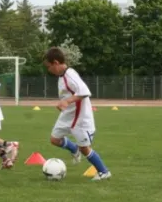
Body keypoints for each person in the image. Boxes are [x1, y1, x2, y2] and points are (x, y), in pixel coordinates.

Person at [43, 47, 111, 181]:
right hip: (67, 116)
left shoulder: (70, 75)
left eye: (49, 66)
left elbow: (85, 92)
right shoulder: (62, 76)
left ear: (56, 62)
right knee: (55, 140)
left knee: (85, 148)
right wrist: (64, 103)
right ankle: (74, 149)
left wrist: (67, 101)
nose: (49, 70)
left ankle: (104, 172)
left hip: (79, 118)